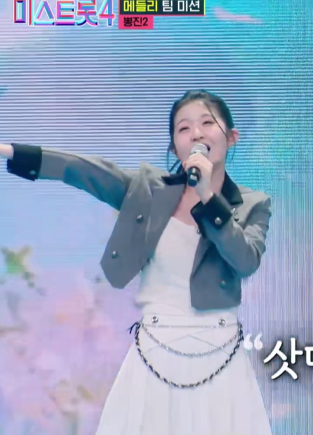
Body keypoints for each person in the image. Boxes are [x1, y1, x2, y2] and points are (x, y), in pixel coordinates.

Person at [0, 90, 274, 435]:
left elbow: (245, 261)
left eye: (207, 123)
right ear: (175, 147)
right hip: (155, 349)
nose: (196, 134)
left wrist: (208, 196)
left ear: (231, 137)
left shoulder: (253, 203)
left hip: (219, 354)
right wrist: (10, 151)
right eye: (184, 128)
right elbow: (85, 170)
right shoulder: (148, 190)